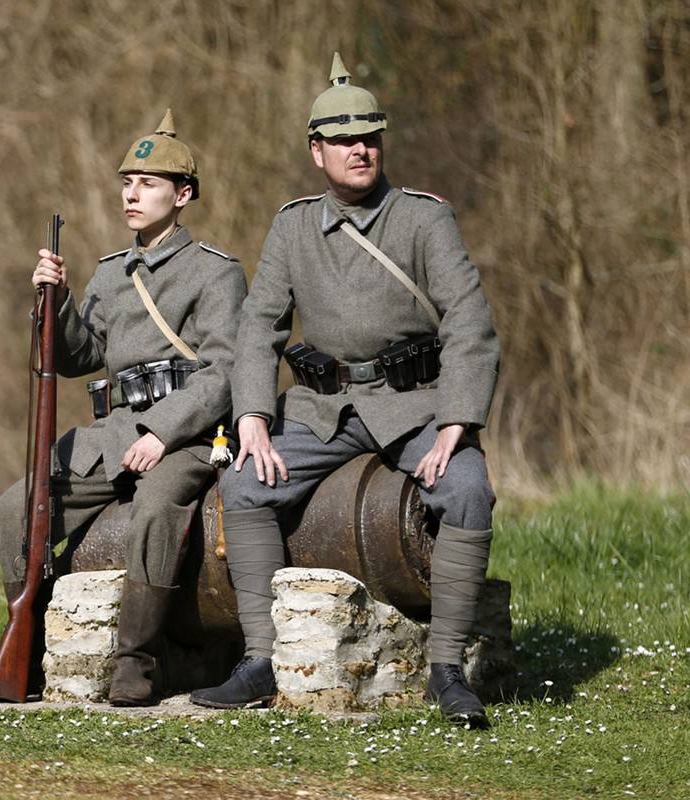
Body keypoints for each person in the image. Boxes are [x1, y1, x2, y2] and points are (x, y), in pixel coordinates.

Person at [188, 54, 500, 728]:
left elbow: (470, 321)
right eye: (343, 140)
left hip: (416, 407)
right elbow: (257, 328)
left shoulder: (423, 220)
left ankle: (448, 669)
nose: (359, 150)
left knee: (468, 489)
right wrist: (250, 416)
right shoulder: (293, 226)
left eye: (370, 138)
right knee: (243, 484)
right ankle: (262, 659)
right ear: (316, 152)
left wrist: (457, 422)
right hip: (321, 410)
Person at [0, 110, 247, 706]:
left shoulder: (215, 272)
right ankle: (29, 641)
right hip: (114, 432)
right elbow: (79, 355)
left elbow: (225, 372)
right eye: (127, 182)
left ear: (182, 196)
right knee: (14, 508)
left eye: (149, 183)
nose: (132, 193)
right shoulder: (111, 273)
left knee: (156, 507)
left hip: (191, 434)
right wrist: (53, 300)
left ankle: (138, 661)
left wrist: (161, 431)